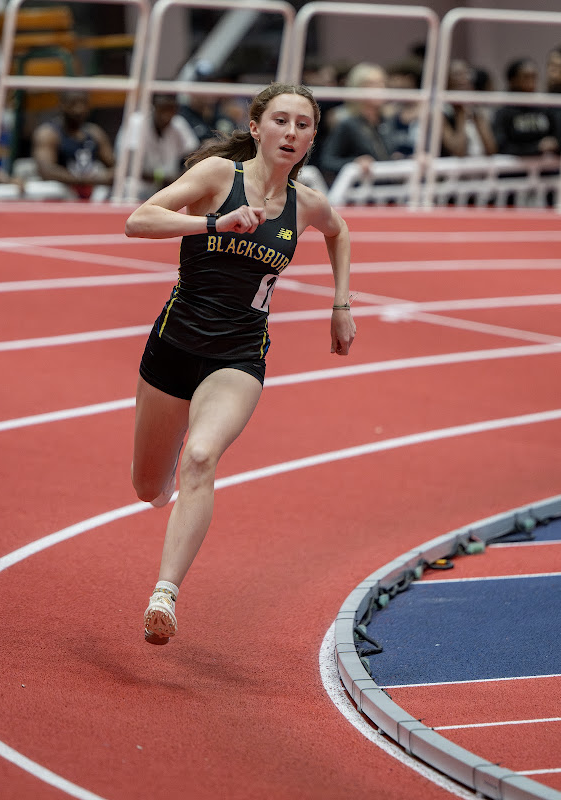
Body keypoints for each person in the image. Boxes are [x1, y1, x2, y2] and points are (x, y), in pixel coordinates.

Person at [124, 82, 356, 646]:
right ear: (257, 128)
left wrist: (340, 305)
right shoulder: (217, 179)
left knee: (201, 458)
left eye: (303, 125)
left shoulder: (308, 205)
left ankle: (165, 595)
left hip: (239, 353)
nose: (292, 133)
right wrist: (211, 225)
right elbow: (139, 220)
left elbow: (339, 231)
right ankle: (173, 452)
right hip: (174, 345)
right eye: (281, 121)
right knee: (147, 486)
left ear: (311, 140)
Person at [319, 62, 402, 184]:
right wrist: (354, 162)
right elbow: (327, 161)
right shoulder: (348, 124)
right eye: (372, 84)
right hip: (360, 193)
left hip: (387, 192)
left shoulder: (387, 121)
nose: (380, 88)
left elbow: (388, 155)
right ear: (358, 87)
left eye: (382, 83)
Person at [32, 90, 115, 200]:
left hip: (92, 189)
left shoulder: (94, 132)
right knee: (54, 189)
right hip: (64, 191)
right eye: (73, 104)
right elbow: (46, 171)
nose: (79, 109)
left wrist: (109, 175)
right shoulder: (48, 133)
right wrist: (85, 181)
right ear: (62, 105)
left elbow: (115, 165)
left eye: (83, 104)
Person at [120, 93, 200, 200]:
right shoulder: (137, 122)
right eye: (163, 108)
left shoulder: (178, 124)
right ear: (154, 106)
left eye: (171, 108)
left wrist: (183, 175)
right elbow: (130, 166)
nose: (167, 113)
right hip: (140, 185)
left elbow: (195, 153)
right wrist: (162, 178)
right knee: (130, 186)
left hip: (170, 185)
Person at [492, 58, 559, 157]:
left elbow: (556, 138)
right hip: (515, 170)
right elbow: (501, 146)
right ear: (513, 80)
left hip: (546, 169)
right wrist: (535, 148)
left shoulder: (545, 107)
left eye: (534, 77)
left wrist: (553, 144)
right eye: (526, 77)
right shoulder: (504, 111)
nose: (532, 82)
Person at [441, 59, 497, 157]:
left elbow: (491, 149)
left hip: (481, 169)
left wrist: (476, 116)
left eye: (467, 74)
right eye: (457, 74)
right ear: (446, 80)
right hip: (453, 171)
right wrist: (461, 114)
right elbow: (458, 151)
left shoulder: (476, 110)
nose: (463, 79)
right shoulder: (441, 112)